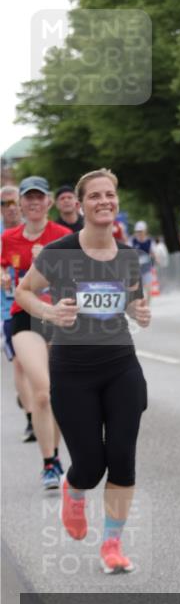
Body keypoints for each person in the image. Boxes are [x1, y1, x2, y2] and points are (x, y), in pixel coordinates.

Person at [16, 169, 151, 574]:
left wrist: (139, 311)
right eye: (95, 196)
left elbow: (131, 305)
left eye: (110, 194)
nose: (104, 201)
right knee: (90, 466)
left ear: (117, 201)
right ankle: (75, 491)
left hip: (121, 366)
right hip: (73, 372)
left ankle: (112, 544)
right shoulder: (59, 253)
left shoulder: (128, 256)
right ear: (80, 203)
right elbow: (23, 292)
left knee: (123, 460)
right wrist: (49, 311)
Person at [1, 177, 71, 489]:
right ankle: (50, 463)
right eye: (27, 198)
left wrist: (50, 263)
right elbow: (3, 266)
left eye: (38, 197)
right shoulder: (10, 238)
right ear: (21, 204)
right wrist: (4, 276)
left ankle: (55, 455)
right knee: (41, 391)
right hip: (24, 316)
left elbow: (76, 280)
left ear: (48, 202)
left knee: (54, 393)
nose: (32, 203)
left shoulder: (63, 236)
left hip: (56, 316)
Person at [1, 184, 35, 441]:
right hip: (9, 309)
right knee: (20, 363)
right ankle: (32, 419)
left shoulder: (34, 228)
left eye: (14, 203)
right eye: (4, 204)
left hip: (42, 305)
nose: (10, 209)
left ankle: (42, 402)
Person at [130, 221, 156, 303]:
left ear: (145, 231)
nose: (139, 233)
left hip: (146, 268)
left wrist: (152, 258)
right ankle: (138, 307)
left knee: (148, 288)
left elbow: (153, 254)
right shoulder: (132, 241)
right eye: (137, 231)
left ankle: (147, 306)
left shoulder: (150, 241)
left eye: (141, 231)